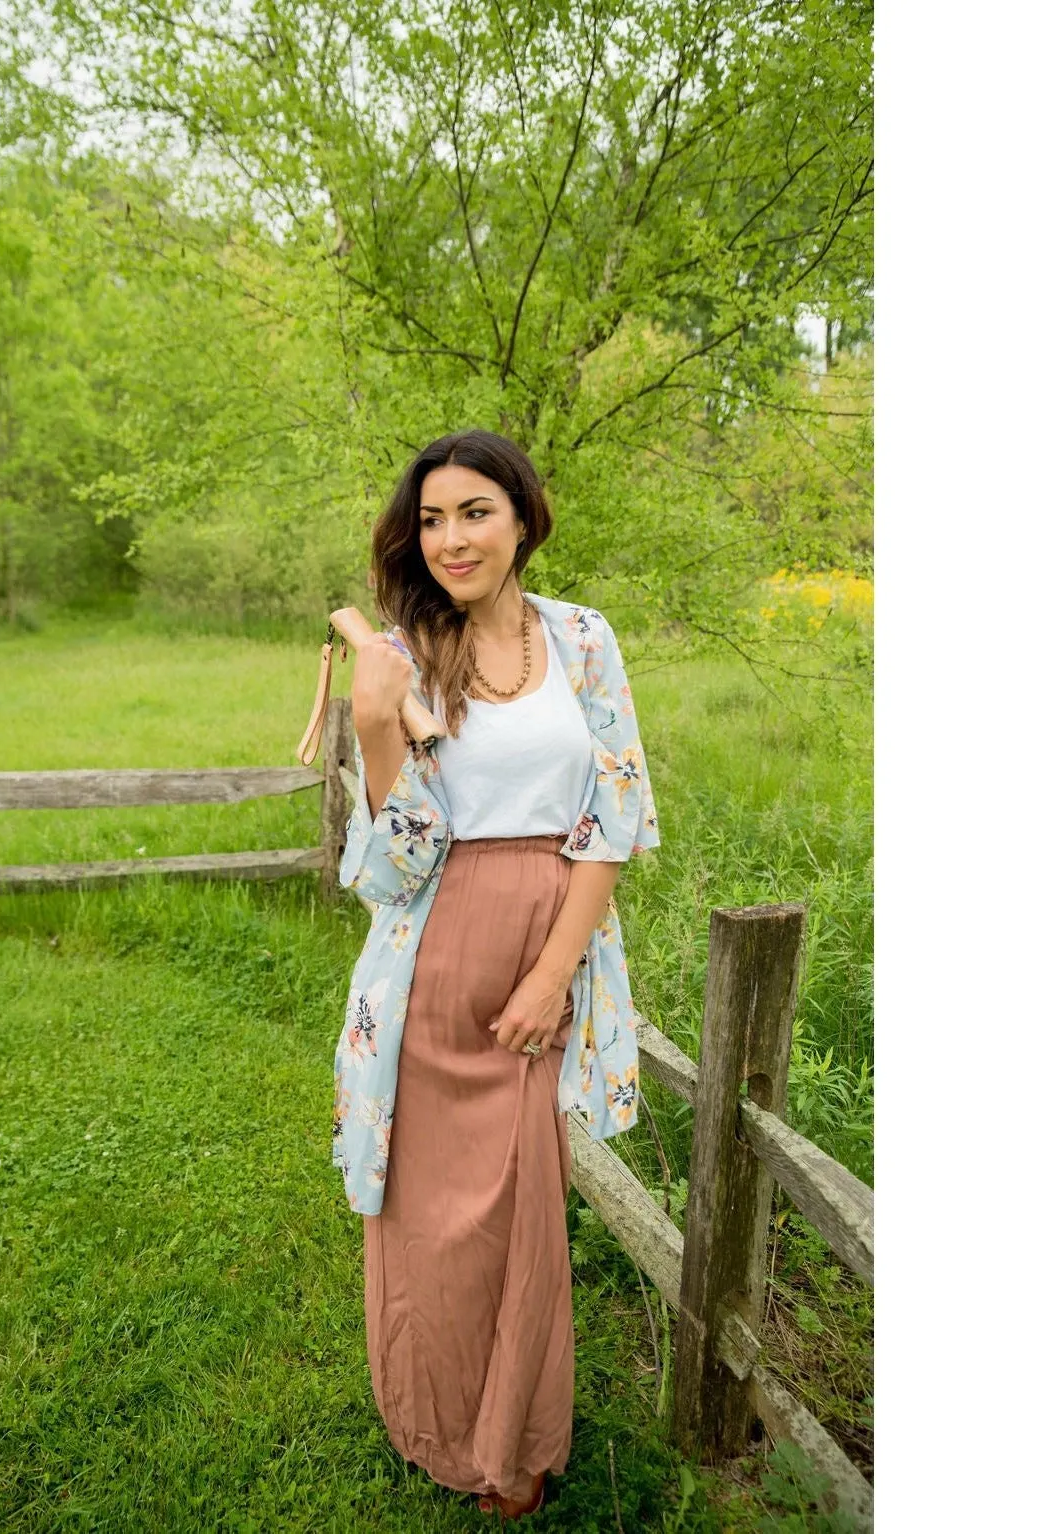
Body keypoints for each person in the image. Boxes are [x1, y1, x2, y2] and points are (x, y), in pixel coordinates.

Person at [332, 428, 661, 1522]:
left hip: (544, 941)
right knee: (432, 1212)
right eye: (428, 520)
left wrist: (551, 973)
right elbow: (395, 861)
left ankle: (513, 1440)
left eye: (473, 511)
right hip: (432, 949)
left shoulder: (582, 640)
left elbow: (613, 812)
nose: (450, 539)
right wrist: (378, 728)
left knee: (519, 1204)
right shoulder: (402, 652)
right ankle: (431, 1420)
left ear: (523, 517)